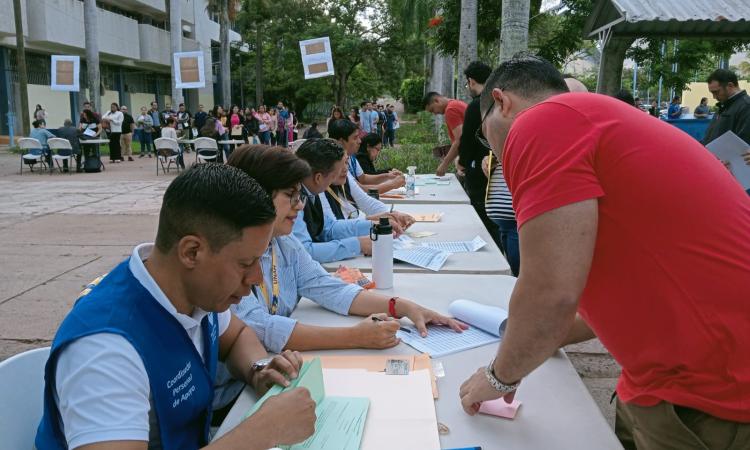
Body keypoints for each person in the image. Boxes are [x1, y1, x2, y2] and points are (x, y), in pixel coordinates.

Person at [458, 54, 750, 449]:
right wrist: (537, 339)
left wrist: (497, 377)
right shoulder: (595, 119)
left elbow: (551, 292)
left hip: (710, 395)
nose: (491, 146)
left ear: (502, 101)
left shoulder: (542, 122)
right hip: (675, 379)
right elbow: (620, 289)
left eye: (483, 133)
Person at [35, 164, 317, 449]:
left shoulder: (193, 293)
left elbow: (238, 336)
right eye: (245, 263)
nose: (256, 278)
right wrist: (259, 433)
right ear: (191, 252)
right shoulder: (105, 348)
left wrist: (258, 369)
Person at [214, 145, 465, 408]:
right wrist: (355, 337)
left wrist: (401, 306)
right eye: (291, 196)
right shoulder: (229, 256)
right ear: (257, 197)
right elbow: (261, 327)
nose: (300, 205)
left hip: (270, 375)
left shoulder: (282, 244)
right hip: (234, 396)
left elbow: (328, 288)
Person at [291, 139, 373, 263]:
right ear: (318, 178)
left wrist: (373, 226)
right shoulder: (293, 199)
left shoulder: (311, 190)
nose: (344, 172)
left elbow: (328, 228)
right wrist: (357, 245)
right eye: (335, 174)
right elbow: (304, 251)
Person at [459, 61, 502, 252]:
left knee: (483, 218)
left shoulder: (477, 105)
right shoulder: (499, 101)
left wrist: (462, 163)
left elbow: (467, 139)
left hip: (479, 168)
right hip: (501, 167)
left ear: (471, 80)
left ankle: (487, 254)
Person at [323, 146, 415, 234]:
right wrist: (372, 221)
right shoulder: (320, 191)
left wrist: (392, 215)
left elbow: (367, 202)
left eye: (346, 162)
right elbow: (333, 230)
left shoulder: (346, 176)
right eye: (340, 164)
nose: (345, 169)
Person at [328, 119, 405, 195]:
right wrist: (392, 184)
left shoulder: (352, 157)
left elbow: (363, 178)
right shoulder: (336, 163)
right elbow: (361, 189)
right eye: (355, 138)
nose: (360, 141)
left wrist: (388, 176)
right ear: (341, 142)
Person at [423, 92, 468, 176]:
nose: (435, 113)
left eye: (433, 110)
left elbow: (460, 139)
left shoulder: (450, 110)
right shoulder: (456, 103)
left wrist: (444, 164)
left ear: (436, 101)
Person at [703, 68, 750, 147]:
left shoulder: (746, 107)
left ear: (730, 85)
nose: (714, 97)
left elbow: (743, 146)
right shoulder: (724, 105)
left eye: (716, 92)